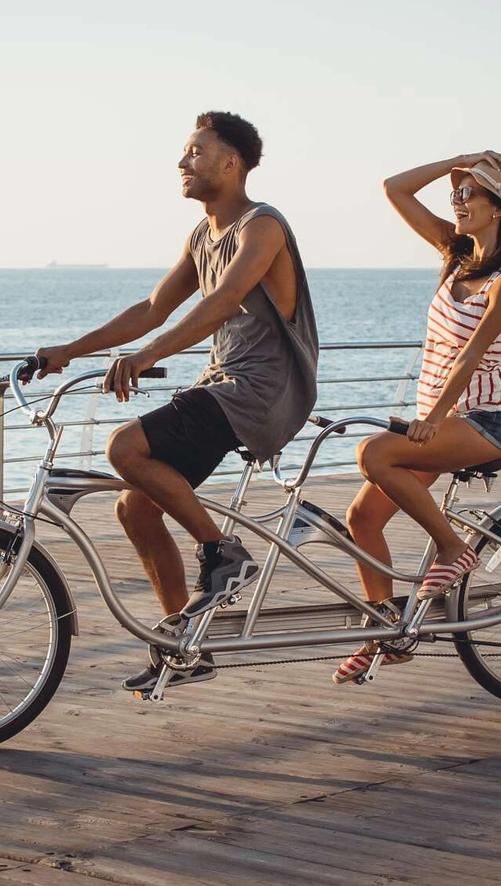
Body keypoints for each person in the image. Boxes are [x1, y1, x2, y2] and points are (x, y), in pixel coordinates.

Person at [32, 111, 319, 693]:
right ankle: (186, 646)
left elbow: (222, 302)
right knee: (135, 509)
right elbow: (153, 307)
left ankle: (222, 551)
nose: (182, 163)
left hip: (260, 392)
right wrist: (71, 349)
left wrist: (144, 357)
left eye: (195, 152)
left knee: (124, 447)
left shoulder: (263, 227)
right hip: (222, 385)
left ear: (231, 163)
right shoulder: (200, 237)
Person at [332, 151, 501, 684]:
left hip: (485, 421)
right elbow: (395, 188)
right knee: (362, 519)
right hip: (438, 421)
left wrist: (431, 418)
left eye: (469, 194)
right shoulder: (455, 252)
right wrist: (460, 162)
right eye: (456, 195)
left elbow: (472, 356)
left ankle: (451, 548)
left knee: (373, 453)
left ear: (499, 208)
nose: (459, 202)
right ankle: (387, 634)